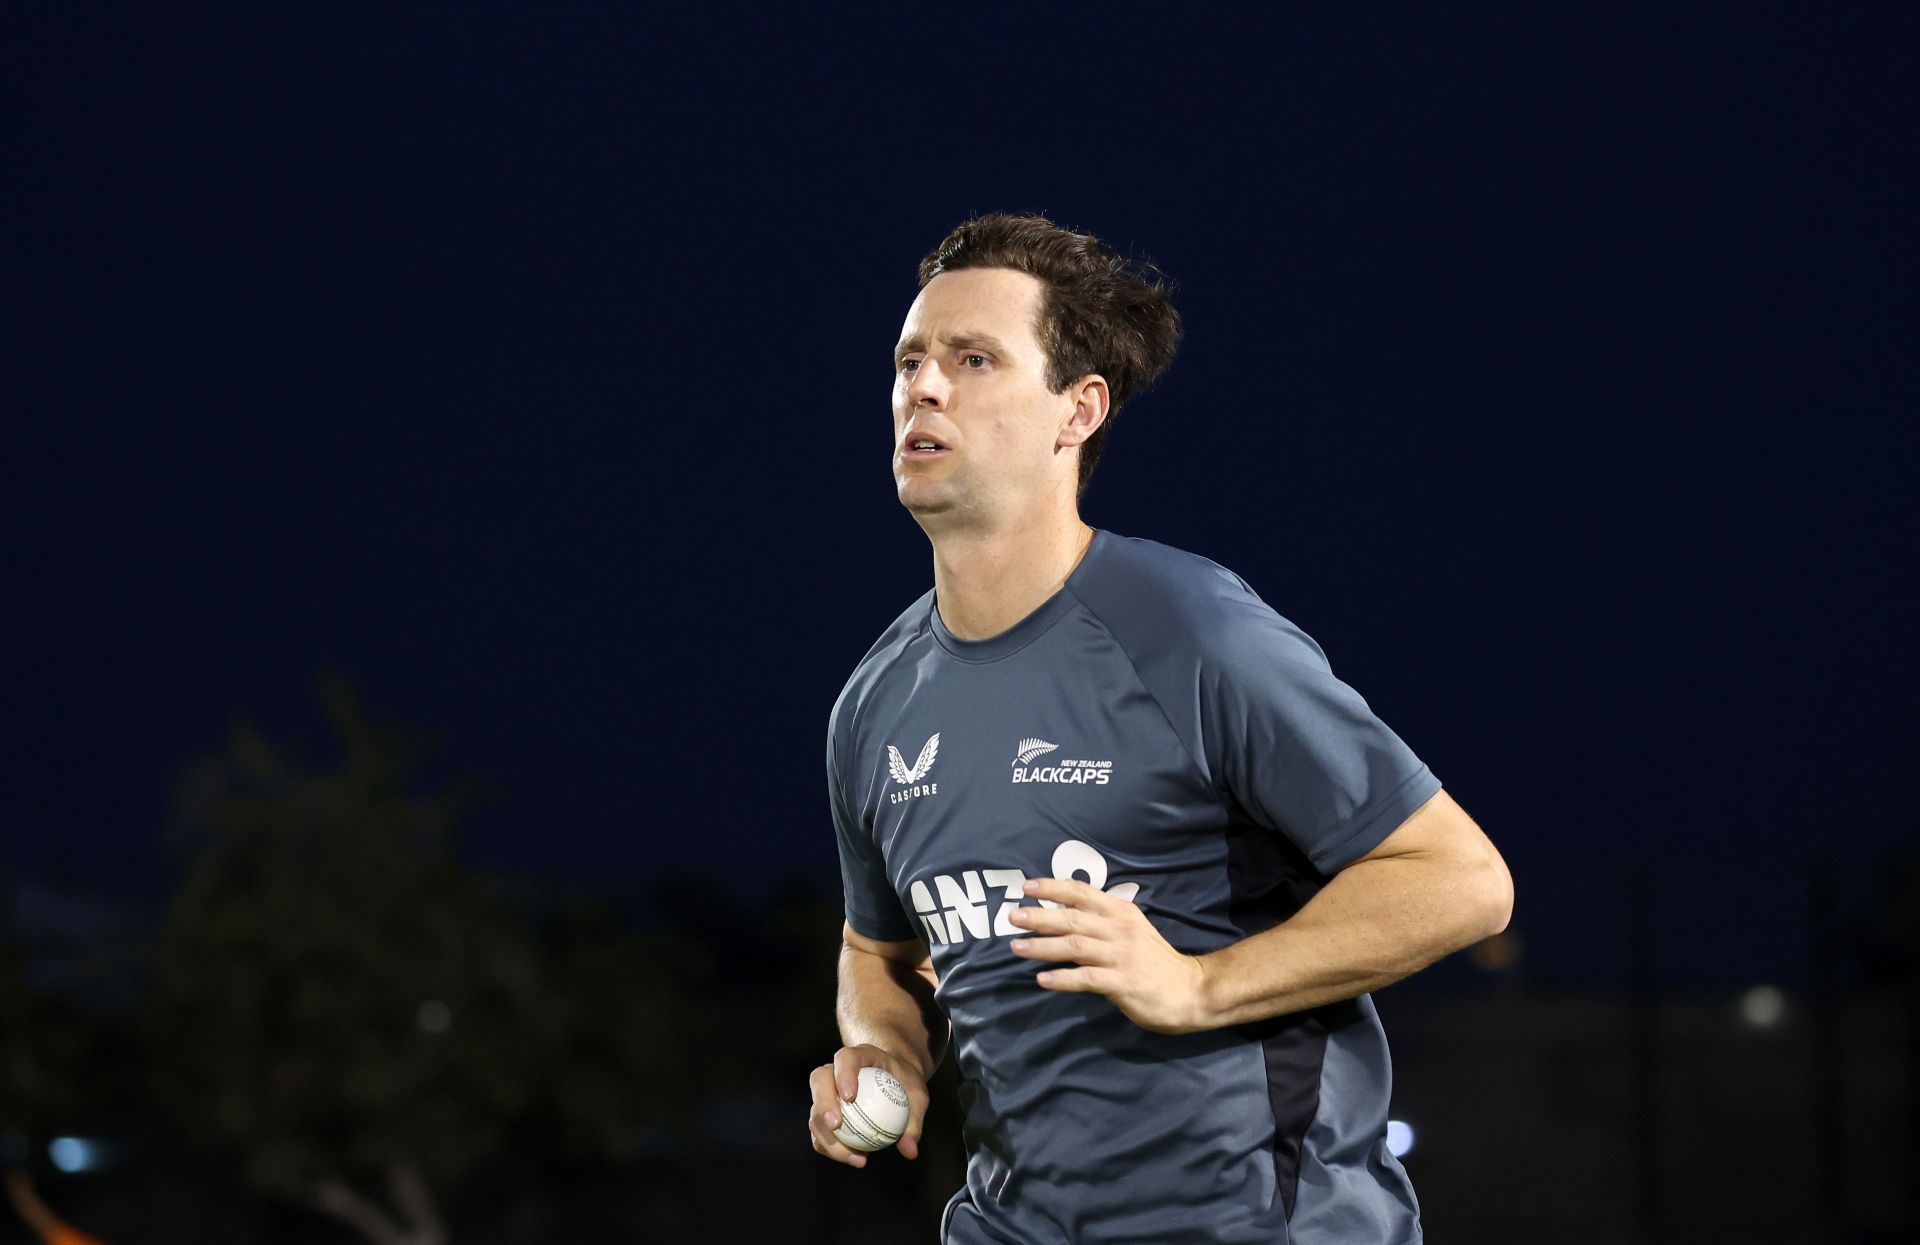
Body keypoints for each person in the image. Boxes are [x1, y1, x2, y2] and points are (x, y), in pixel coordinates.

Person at [807, 214, 1514, 1244]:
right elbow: (878, 951)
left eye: (973, 359)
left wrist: (1199, 985)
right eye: (911, 360)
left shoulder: (1194, 633)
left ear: (1077, 411)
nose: (925, 387)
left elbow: (1461, 880)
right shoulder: (875, 703)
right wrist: (884, 1053)